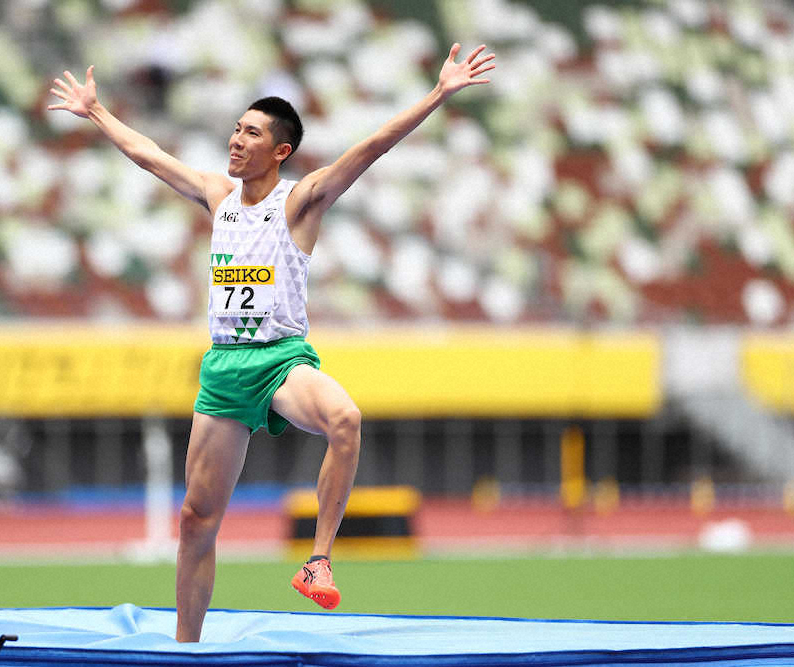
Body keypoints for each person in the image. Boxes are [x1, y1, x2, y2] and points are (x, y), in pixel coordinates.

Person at [48, 42, 495, 642]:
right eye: (234, 129)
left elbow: (371, 148)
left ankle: (317, 560)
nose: (235, 140)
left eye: (250, 133)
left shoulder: (301, 202)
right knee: (195, 520)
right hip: (225, 367)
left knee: (346, 419)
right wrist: (97, 112)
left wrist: (440, 94)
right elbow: (148, 154)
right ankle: (187, 647)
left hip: (281, 361)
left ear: (279, 151)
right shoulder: (217, 196)